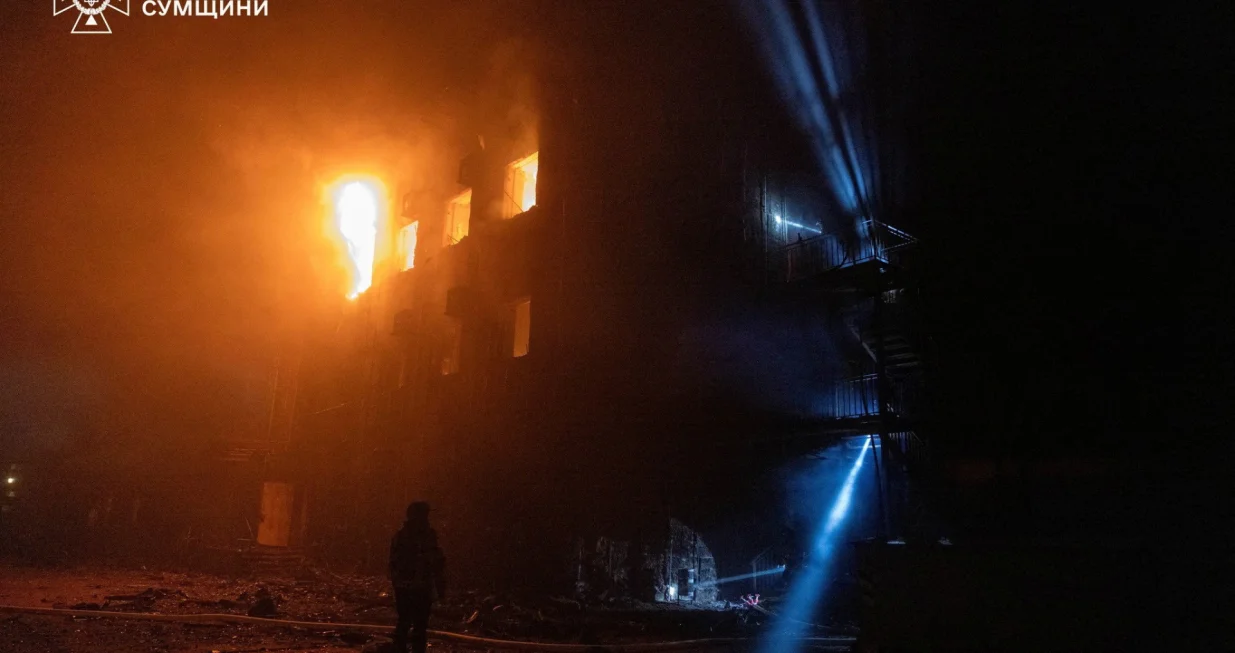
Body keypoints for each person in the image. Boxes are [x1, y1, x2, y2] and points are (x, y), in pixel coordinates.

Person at [389, 501, 446, 653]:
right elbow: (397, 563)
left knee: (414, 625)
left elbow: (437, 560)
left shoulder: (419, 535)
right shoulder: (405, 536)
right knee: (410, 624)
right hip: (411, 586)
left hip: (417, 586)